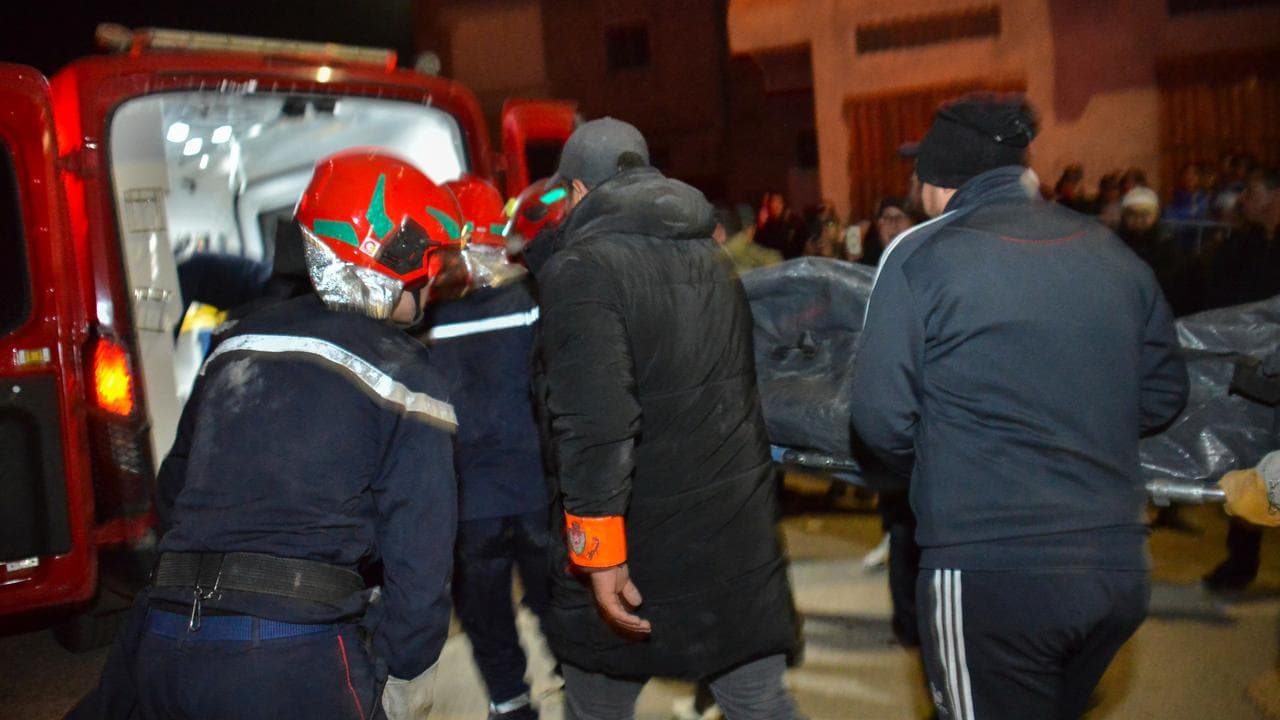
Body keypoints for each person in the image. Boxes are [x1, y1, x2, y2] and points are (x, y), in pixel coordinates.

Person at [71, 149, 478, 720]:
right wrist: (407, 680)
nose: (434, 280)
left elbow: (173, 491)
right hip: (288, 661)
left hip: (161, 637)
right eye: (431, 260)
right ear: (394, 254)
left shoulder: (236, 341)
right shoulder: (410, 380)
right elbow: (421, 566)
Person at [849, 94, 1189, 720]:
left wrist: (944, 463)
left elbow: (878, 419)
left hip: (992, 571)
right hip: (1115, 566)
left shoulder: (920, 255)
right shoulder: (1109, 250)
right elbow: (1165, 394)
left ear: (936, 183)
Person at [532, 117, 801, 720]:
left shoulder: (583, 271)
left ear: (576, 192)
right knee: (757, 701)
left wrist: (597, 553)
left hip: (639, 540)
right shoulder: (711, 260)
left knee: (597, 704)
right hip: (732, 535)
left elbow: (595, 423)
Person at [422, 176, 550, 720]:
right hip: (535, 492)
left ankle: (511, 705)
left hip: (469, 506)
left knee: (486, 618)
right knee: (558, 609)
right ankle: (586, 695)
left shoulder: (424, 317)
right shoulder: (532, 299)